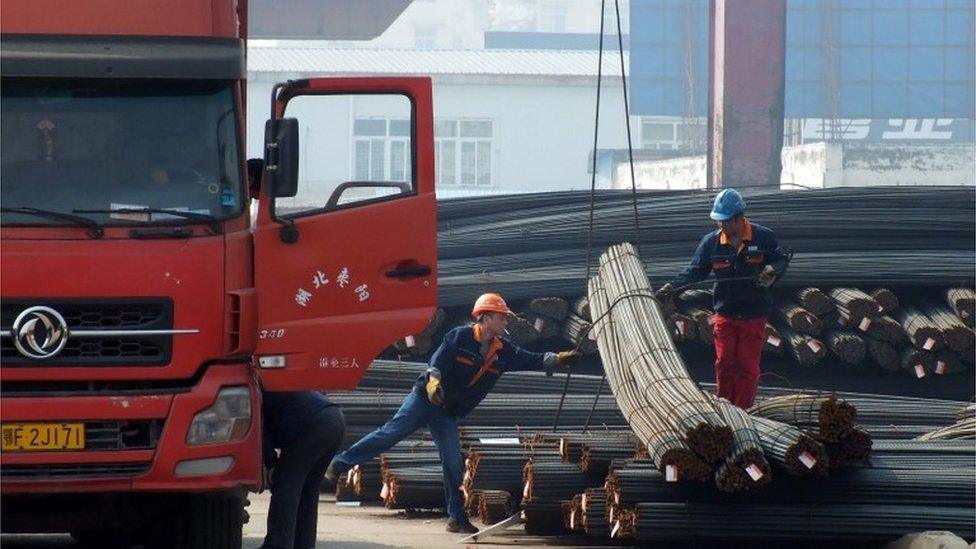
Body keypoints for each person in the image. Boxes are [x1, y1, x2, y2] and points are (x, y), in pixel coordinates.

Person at [324, 293, 581, 534]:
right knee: (390, 434)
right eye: (502, 316)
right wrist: (433, 383)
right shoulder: (459, 337)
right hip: (425, 400)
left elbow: (532, 359)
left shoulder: (504, 350)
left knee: (453, 462)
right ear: (486, 317)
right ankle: (339, 463)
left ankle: (456, 518)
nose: (506, 320)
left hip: (447, 413)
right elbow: (436, 364)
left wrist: (557, 359)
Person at [656, 189, 787, 409]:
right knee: (725, 362)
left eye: (724, 221)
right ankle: (725, 408)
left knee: (747, 365)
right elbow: (695, 271)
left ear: (739, 217)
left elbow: (781, 261)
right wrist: (673, 287)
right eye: (718, 221)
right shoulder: (711, 243)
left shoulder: (763, 237)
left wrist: (772, 270)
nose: (721, 226)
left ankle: (743, 411)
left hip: (754, 315)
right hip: (725, 313)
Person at [259, 391, 345, 549]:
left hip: (314, 424)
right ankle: (304, 544)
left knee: (285, 484)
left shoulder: (253, 394)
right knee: (308, 491)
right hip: (334, 419)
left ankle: (277, 544)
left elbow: (260, 431)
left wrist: (271, 464)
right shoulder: (270, 386)